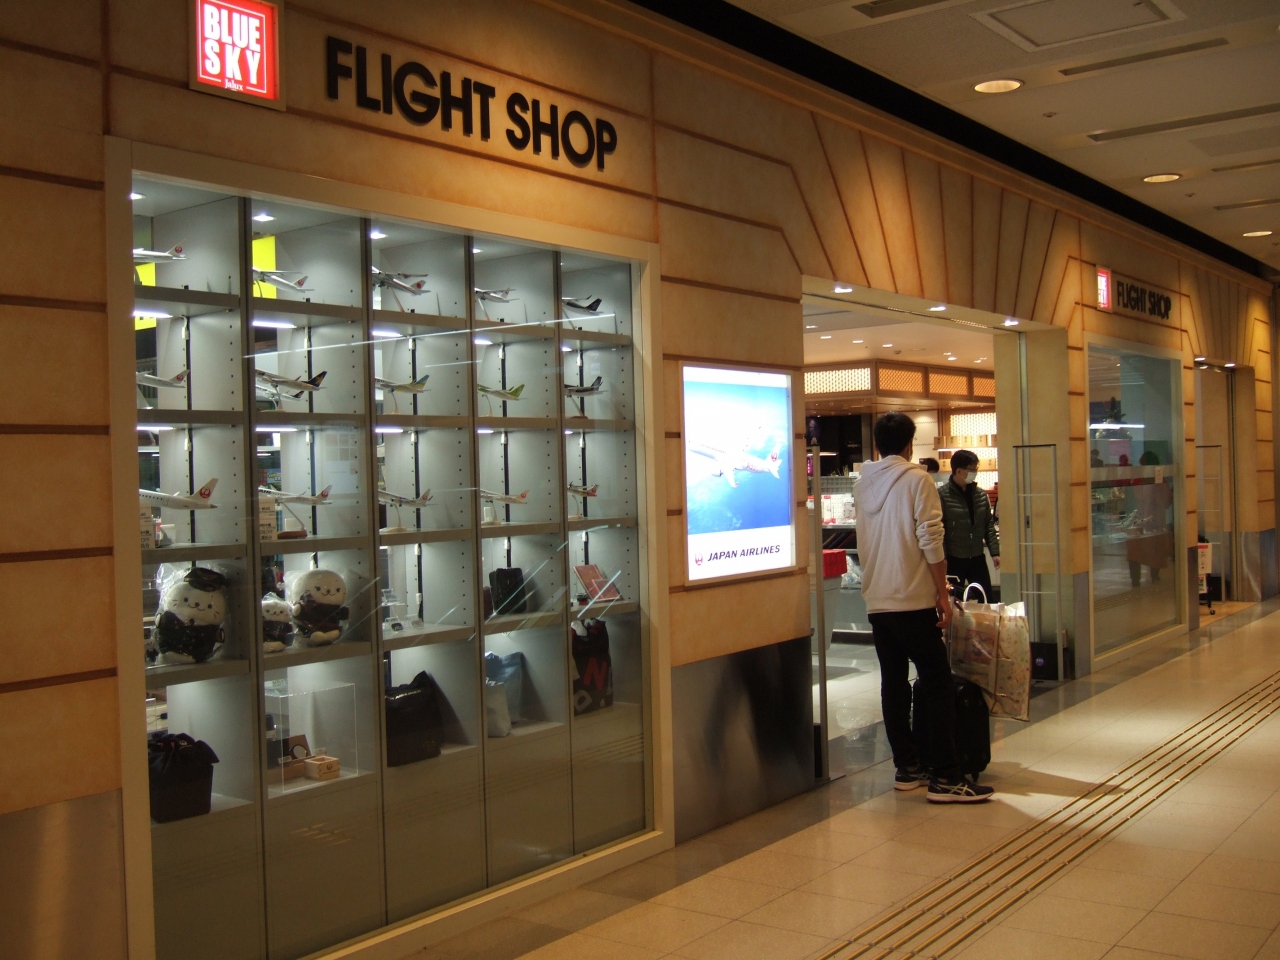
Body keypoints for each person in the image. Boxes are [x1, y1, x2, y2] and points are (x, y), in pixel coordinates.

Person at [855, 413, 994, 803]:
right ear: (908, 445)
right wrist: (942, 594)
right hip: (912, 598)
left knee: (893, 683)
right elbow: (931, 538)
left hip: (878, 598)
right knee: (937, 682)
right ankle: (946, 777)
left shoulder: (863, 484)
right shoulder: (918, 480)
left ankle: (907, 767)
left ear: (878, 444)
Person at [939, 450, 1000, 599]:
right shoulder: (942, 495)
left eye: (975, 469)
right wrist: (942, 556)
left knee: (985, 598)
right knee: (954, 600)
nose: (975, 473)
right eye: (971, 470)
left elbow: (988, 525)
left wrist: (995, 552)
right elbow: (939, 529)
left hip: (977, 556)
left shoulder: (980, 495)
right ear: (958, 471)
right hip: (954, 558)